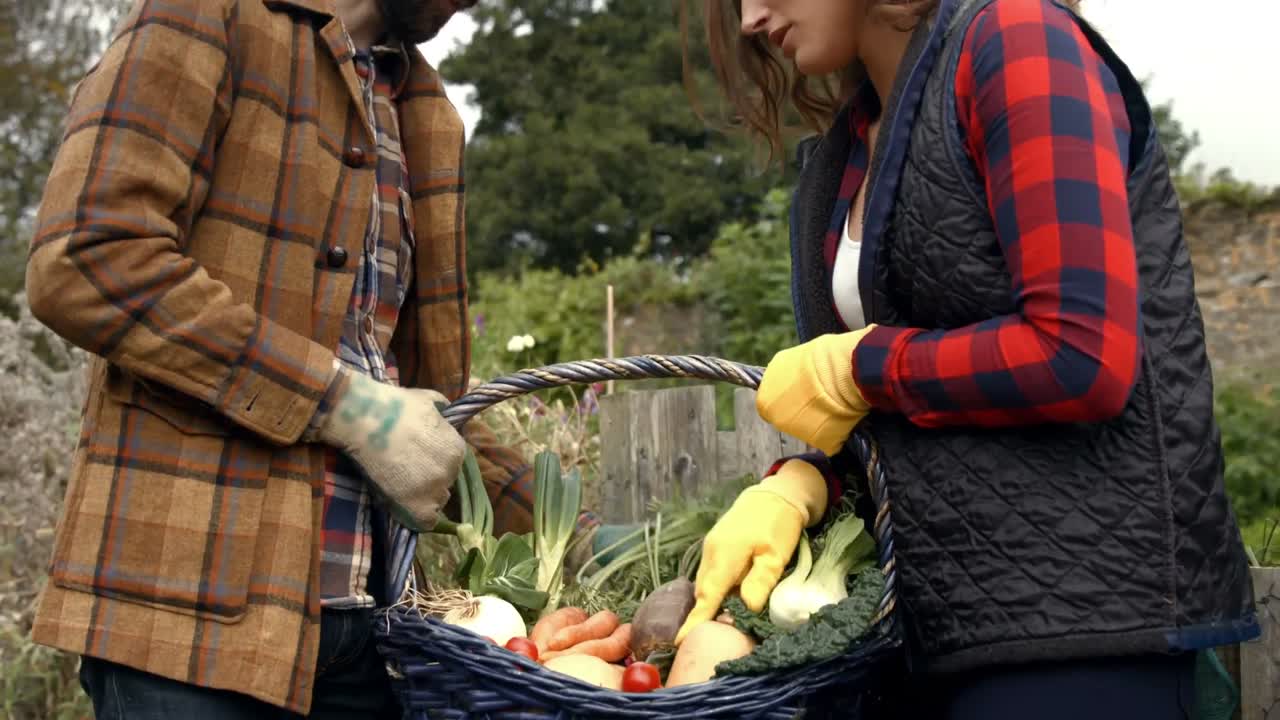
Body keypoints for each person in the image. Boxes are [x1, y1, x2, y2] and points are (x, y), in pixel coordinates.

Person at [23, 0, 616, 716]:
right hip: (184, 624)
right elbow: (89, 258)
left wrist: (590, 540)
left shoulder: (425, 111)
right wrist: (342, 404)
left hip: (365, 637)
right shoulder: (205, 16)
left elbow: (421, 411)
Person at [677, 0, 1260, 717]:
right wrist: (809, 480)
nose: (750, 20)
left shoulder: (1018, 43)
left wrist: (858, 366)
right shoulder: (850, 147)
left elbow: (1081, 354)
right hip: (929, 633)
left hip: (1077, 635)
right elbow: (917, 406)